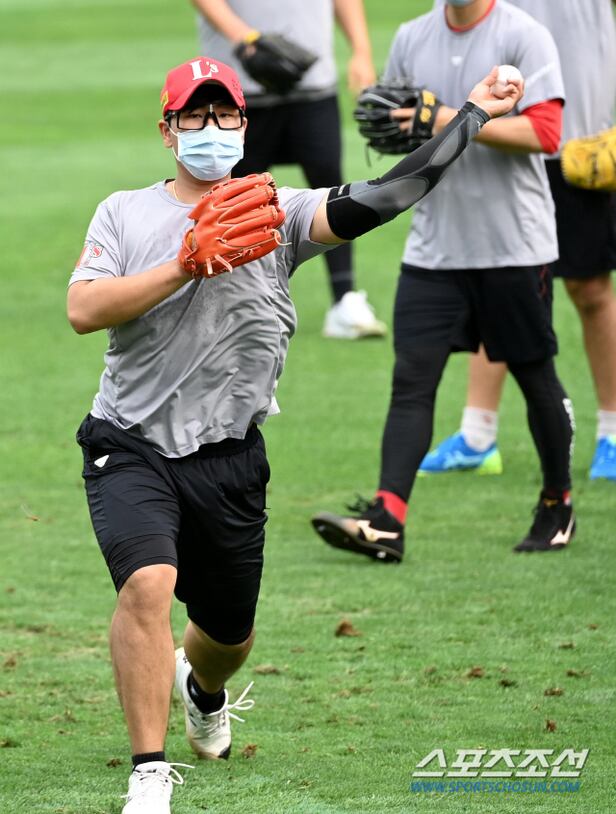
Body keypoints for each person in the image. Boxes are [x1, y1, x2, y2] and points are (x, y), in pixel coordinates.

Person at [67, 54, 517, 812]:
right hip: (129, 441)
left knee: (228, 636)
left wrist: (470, 115)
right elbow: (84, 310)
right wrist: (184, 264)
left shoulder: (278, 213)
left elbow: (388, 194)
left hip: (230, 457)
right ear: (168, 131)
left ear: (244, 126)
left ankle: (202, 687)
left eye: (223, 114)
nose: (209, 127)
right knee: (148, 585)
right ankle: (149, 773)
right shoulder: (122, 213)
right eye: (193, 115)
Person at [311, 0, 577, 562]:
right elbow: (401, 130)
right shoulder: (412, 36)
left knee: (535, 377)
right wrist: (397, 126)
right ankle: (387, 520)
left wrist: (442, 118)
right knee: (411, 381)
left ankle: (558, 504)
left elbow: (546, 132)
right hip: (434, 249)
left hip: (513, 248)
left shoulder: (523, 34)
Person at [420, 0, 616, 482]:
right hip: (493, 133)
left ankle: (612, 433)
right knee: (494, 282)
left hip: (580, 138)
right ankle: (477, 435)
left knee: (590, 289)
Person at [190, 0, 387, 339]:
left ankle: (345, 300)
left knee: (332, 191)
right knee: (234, 201)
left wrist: (361, 50)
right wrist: (246, 40)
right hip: (239, 89)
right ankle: (231, 304)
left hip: (314, 84)